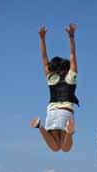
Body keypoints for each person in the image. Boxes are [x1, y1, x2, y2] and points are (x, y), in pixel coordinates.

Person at [30, 24, 79, 152]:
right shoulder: (71, 76)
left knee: (55, 148)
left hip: (52, 112)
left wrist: (42, 38)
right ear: (67, 67)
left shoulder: (51, 78)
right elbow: (73, 54)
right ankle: (68, 132)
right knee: (65, 148)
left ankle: (40, 126)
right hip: (65, 111)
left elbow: (44, 58)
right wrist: (71, 36)